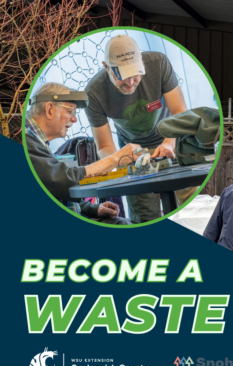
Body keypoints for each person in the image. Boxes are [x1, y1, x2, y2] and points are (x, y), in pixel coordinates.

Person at [85, 34, 191, 223]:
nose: (131, 82)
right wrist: (123, 158)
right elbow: (104, 147)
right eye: (123, 77)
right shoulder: (93, 93)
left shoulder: (159, 63)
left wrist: (170, 142)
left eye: (135, 74)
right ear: (106, 67)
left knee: (188, 207)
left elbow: (180, 112)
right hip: (133, 153)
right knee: (144, 217)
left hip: (174, 139)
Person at [25, 82, 139, 225]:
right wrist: (116, 158)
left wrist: (92, 208)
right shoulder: (26, 141)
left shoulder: (36, 141)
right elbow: (64, 181)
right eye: (70, 112)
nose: (74, 119)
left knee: (121, 222)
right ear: (49, 109)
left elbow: (54, 192)